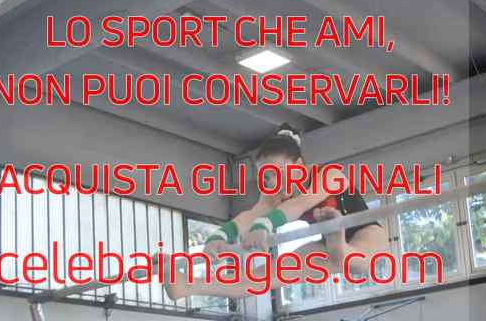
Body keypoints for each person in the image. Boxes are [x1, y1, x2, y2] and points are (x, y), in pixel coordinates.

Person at [163, 125, 387, 301]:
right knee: (259, 279)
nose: (274, 182)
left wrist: (264, 225)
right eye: (268, 177)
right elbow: (250, 216)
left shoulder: (330, 176)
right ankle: (186, 286)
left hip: (366, 236)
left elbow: (299, 204)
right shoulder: (274, 193)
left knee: (358, 262)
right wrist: (220, 235)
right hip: (326, 245)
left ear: (299, 166)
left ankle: (339, 244)